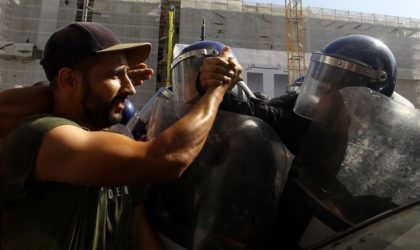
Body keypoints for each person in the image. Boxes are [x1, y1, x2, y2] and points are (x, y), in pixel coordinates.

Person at [0, 22, 242, 250]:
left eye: (128, 74)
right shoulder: (44, 135)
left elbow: (137, 233)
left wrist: (108, 83)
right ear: (68, 79)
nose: (131, 88)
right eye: (116, 75)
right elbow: (169, 158)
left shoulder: (113, 141)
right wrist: (217, 90)